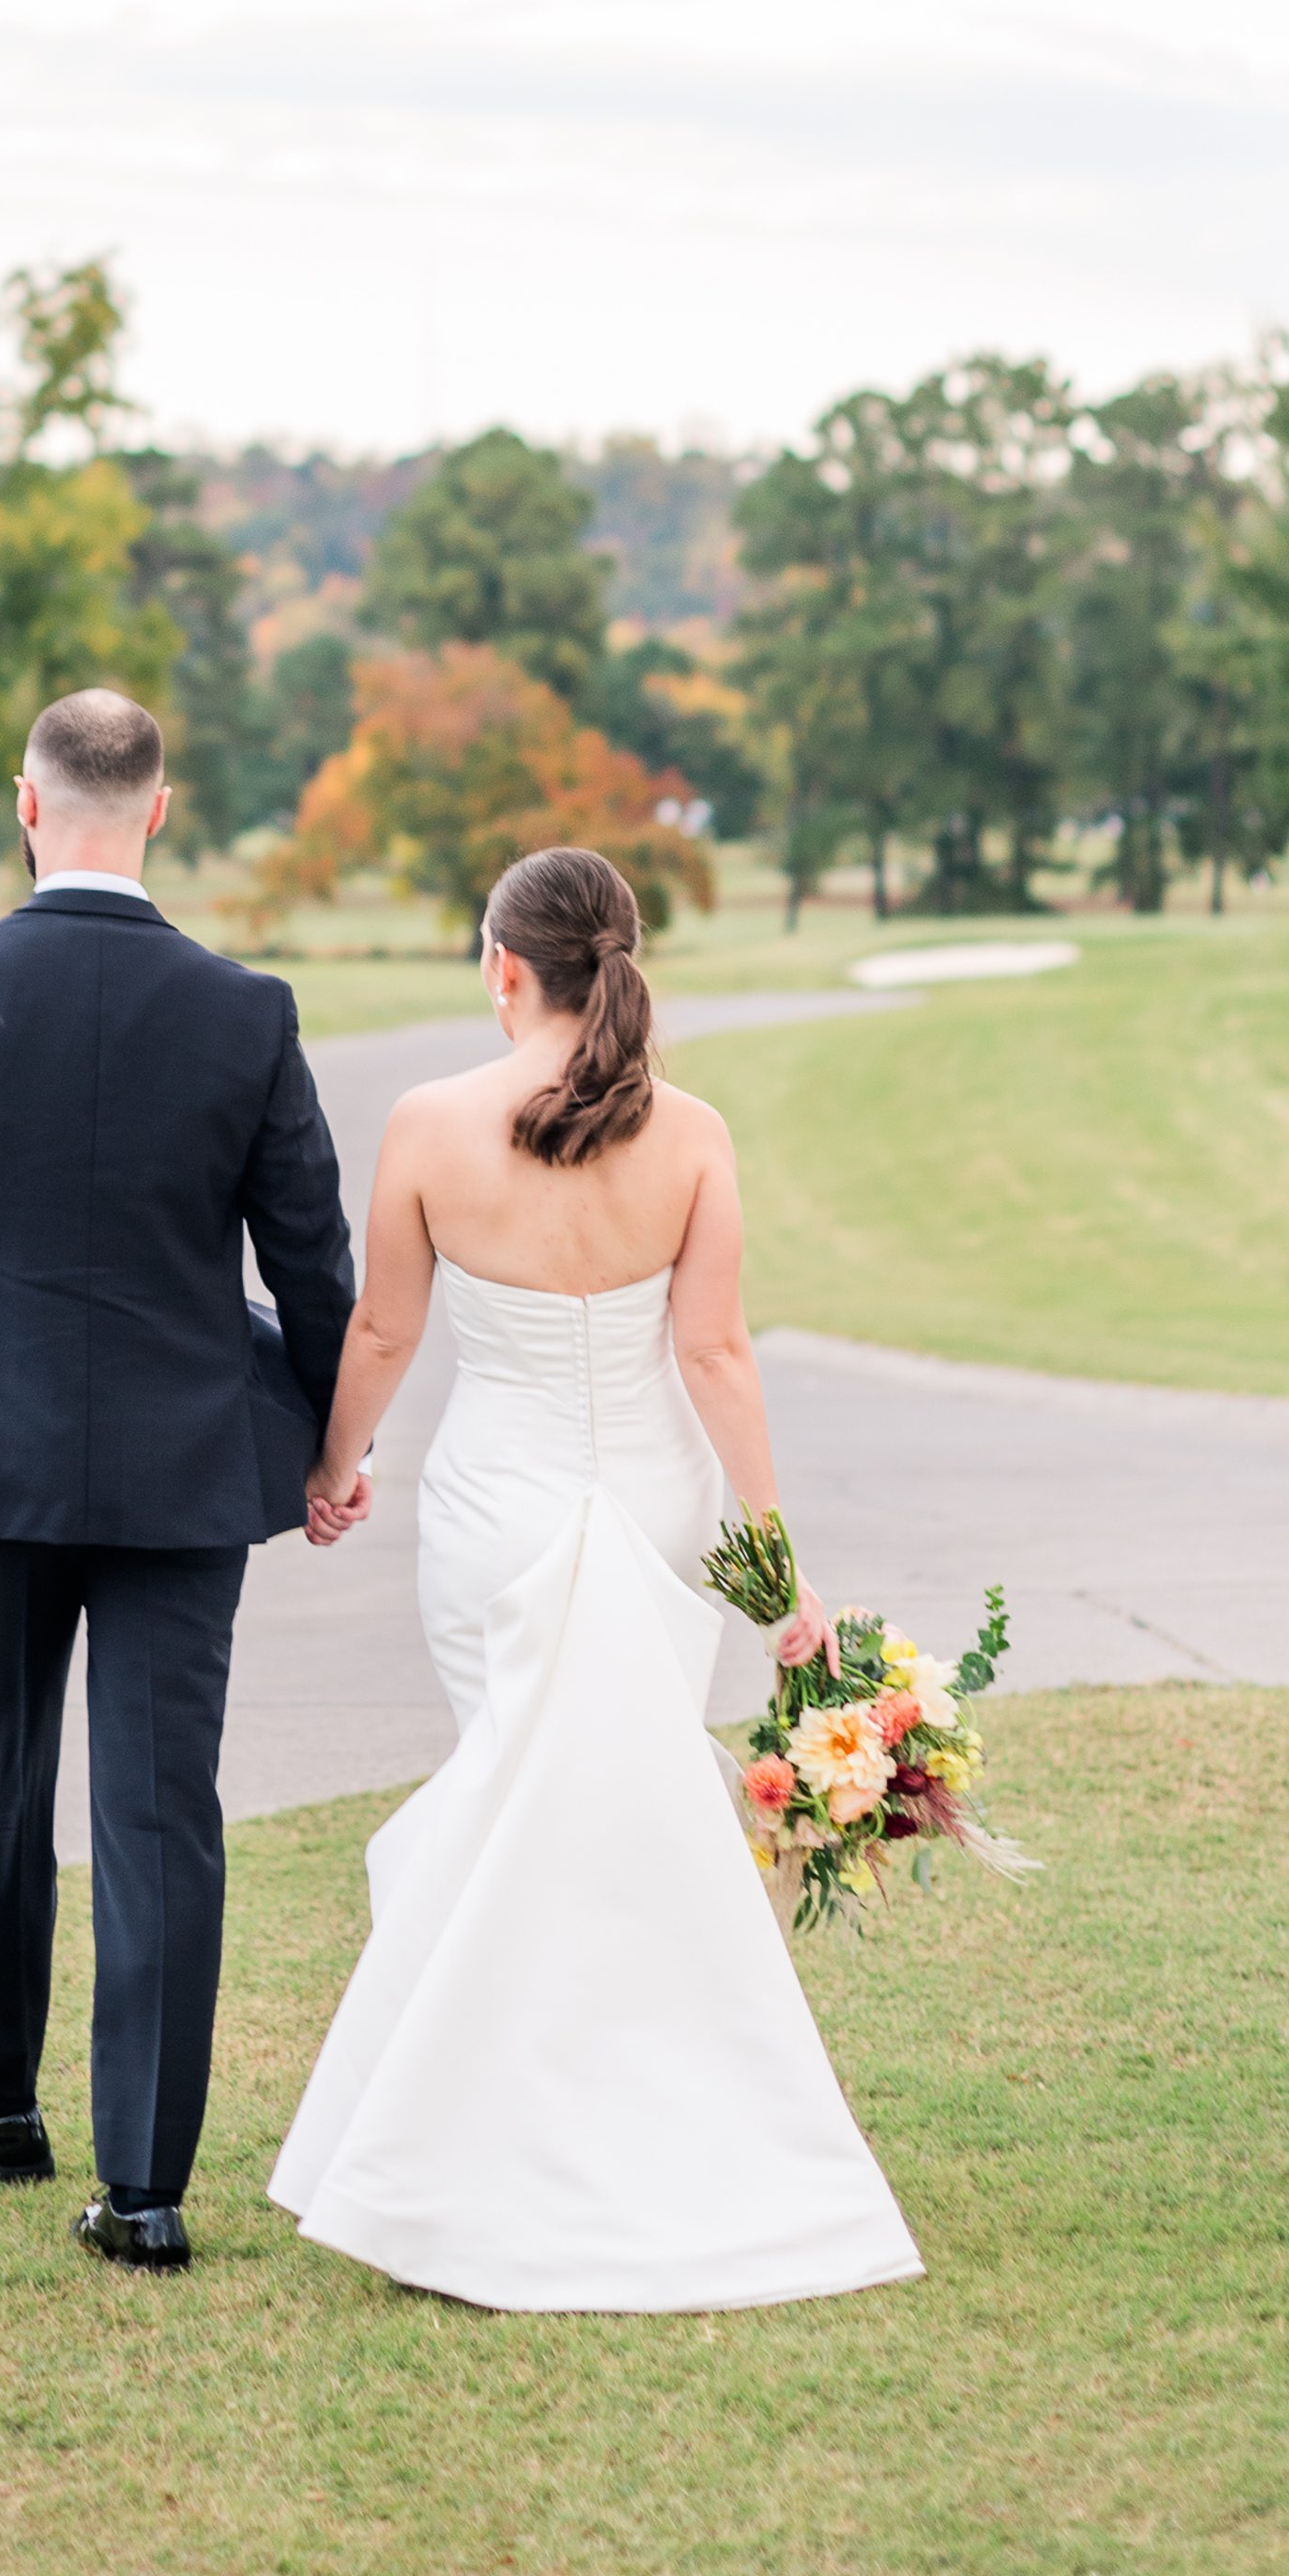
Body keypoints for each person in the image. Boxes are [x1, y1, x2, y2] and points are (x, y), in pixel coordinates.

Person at [269, 842, 923, 2313]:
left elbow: (381, 1334)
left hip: (495, 1518)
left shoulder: (433, 1125)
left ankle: (474, 2141)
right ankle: (632, 2118)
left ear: (504, 967)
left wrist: (329, 1469)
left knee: (519, 1789)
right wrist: (774, 1571)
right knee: (604, 1808)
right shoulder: (691, 1134)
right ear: (621, 962)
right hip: (657, 1517)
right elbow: (714, 1358)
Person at [0, 688, 357, 2274]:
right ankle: (144, 2189)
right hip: (184, 1475)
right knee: (155, 1812)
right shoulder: (245, 1011)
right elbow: (315, 1261)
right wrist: (338, 1445)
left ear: (28, 803)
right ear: (164, 810)